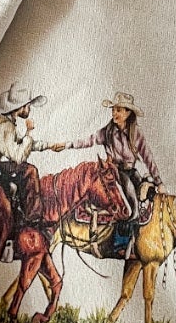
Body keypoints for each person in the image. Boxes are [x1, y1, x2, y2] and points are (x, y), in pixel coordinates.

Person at [0, 83, 64, 261]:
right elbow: (18, 156)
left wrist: (49, 146)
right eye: (27, 106)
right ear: (20, 107)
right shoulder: (4, 126)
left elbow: (19, 143)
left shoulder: (3, 122)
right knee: (4, 209)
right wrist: (29, 132)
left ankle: (33, 220)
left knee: (29, 171)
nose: (29, 109)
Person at [64, 92, 164, 227]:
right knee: (130, 206)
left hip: (130, 171)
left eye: (118, 110)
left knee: (144, 194)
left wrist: (159, 182)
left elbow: (148, 157)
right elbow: (89, 140)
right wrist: (67, 145)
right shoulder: (108, 131)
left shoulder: (136, 133)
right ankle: (122, 237)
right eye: (113, 110)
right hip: (113, 173)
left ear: (128, 113)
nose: (114, 113)